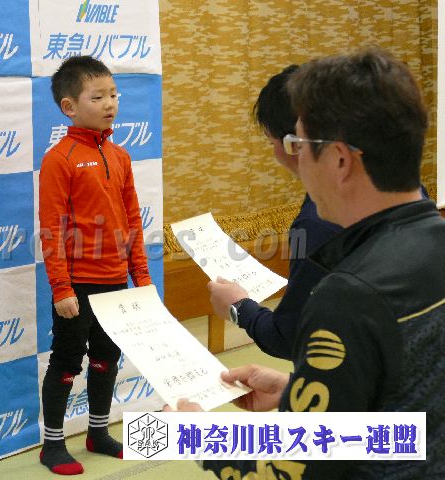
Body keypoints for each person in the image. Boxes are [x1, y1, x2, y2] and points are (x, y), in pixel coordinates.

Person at [172, 48, 444, 478]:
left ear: (339, 159)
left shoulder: (349, 295)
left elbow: (291, 471)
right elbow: (411, 413)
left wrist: (198, 435)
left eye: (297, 145)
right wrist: (298, 393)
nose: (293, 160)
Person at [38, 55, 151, 475]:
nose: (110, 104)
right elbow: (51, 227)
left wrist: (141, 277)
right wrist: (61, 288)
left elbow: (133, 220)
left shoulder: (120, 156)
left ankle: (97, 433)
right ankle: (52, 445)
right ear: (69, 106)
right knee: (66, 364)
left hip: (116, 281)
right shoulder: (60, 158)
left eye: (114, 95)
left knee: (107, 358)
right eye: (98, 97)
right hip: (77, 286)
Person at [207, 65, 342, 360]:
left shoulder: (321, 221)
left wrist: (239, 307)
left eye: (272, 142)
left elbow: (290, 337)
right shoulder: (410, 195)